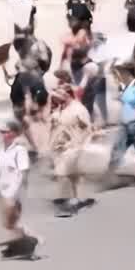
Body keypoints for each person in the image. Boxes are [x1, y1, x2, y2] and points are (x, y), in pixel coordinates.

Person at [0, 121, 39, 260]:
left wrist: (16, 193)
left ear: (14, 133)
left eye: (7, 132)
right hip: (3, 190)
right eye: (2, 132)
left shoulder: (19, 150)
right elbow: (0, 170)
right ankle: (25, 240)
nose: (4, 135)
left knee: (11, 220)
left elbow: (23, 173)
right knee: (8, 223)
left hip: (14, 191)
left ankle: (25, 246)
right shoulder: (1, 151)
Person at [49, 79, 92, 217]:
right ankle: (79, 200)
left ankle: (69, 205)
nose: (55, 95)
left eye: (58, 93)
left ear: (68, 94)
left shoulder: (79, 109)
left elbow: (87, 129)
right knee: (74, 176)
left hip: (73, 147)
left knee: (62, 174)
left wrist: (82, 146)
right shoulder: (60, 108)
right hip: (59, 148)